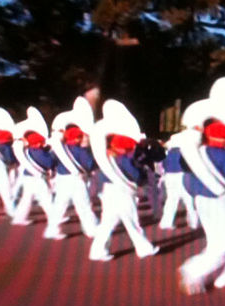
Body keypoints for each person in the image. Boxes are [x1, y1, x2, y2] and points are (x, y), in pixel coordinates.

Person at [177, 77, 225, 294]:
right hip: (219, 200)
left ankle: (224, 277)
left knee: (215, 241)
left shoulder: (198, 153)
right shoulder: (224, 155)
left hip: (201, 199)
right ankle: (193, 270)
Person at [88, 99, 160, 261]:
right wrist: (142, 176)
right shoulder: (120, 152)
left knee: (110, 221)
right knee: (131, 218)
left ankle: (98, 250)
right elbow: (132, 169)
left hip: (110, 187)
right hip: (119, 188)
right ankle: (143, 248)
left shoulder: (110, 149)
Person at [11, 106, 66, 239]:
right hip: (37, 178)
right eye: (40, 142)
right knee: (47, 202)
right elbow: (48, 163)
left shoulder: (30, 150)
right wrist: (53, 154)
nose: (42, 144)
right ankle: (54, 226)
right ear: (36, 143)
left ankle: (19, 218)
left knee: (27, 199)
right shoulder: (38, 152)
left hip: (29, 177)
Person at [50, 97, 100, 238]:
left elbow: (52, 161)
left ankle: (53, 229)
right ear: (78, 137)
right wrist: (86, 148)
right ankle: (91, 229)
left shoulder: (61, 147)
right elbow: (89, 165)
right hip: (76, 179)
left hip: (62, 178)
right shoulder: (80, 150)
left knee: (60, 205)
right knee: (84, 205)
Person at [158, 132, 198, 230]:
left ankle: (166, 222)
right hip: (183, 175)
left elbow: (163, 165)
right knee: (189, 200)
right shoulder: (185, 152)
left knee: (171, 200)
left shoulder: (169, 152)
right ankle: (193, 222)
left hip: (169, 176)